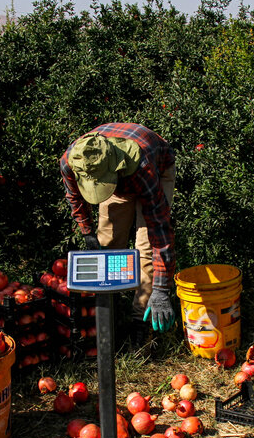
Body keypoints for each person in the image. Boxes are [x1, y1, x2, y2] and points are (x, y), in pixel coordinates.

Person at [59, 123, 176, 336]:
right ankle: (105, 314)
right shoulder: (72, 161)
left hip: (154, 171)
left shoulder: (143, 169)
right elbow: (74, 198)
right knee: (107, 244)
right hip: (113, 174)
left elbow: (160, 232)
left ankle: (141, 321)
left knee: (146, 248)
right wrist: (87, 232)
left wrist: (161, 290)